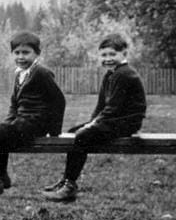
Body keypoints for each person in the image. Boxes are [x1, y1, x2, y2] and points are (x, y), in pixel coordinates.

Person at [42, 33, 146, 202]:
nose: (108, 59)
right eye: (104, 55)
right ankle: (66, 179)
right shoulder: (110, 74)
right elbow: (101, 106)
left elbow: (113, 108)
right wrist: (91, 122)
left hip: (127, 122)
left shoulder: (124, 74)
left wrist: (92, 126)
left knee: (83, 135)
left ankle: (70, 185)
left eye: (113, 54)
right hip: (114, 119)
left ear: (124, 54)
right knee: (75, 131)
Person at [0, 31, 65, 198]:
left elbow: (58, 100)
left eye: (26, 53)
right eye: (17, 53)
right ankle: (1, 177)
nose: (21, 57)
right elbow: (14, 104)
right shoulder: (20, 73)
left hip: (36, 122)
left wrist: (54, 130)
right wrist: (8, 123)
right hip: (22, 121)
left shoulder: (41, 72)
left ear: (37, 54)